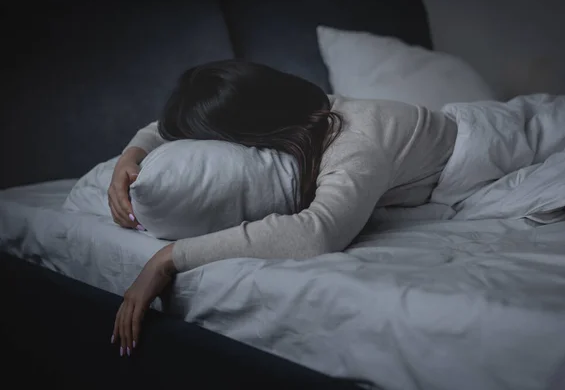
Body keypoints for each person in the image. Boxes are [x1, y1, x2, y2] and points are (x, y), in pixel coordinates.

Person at [109, 60, 458, 357]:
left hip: (483, 148)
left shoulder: (355, 145)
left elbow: (315, 234)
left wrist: (169, 257)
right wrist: (130, 156)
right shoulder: (298, 114)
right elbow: (161, 127)